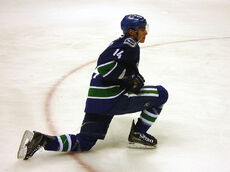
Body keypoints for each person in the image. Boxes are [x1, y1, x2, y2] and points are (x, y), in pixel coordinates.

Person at [17, 14, 168, 160]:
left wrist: (127, 78)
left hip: (97, 102)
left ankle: (42, 140)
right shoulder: (129, 45)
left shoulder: (121, 42)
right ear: (131, 31)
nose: (145, 32)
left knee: (84, 142)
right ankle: (137, 134)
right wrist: (128, 78)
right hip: (113, 98)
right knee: (161, 94)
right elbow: (104, 66)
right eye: (142, 29)